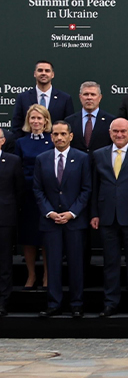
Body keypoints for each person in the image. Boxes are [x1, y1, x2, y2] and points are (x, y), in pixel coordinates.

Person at [90, 118, 128, 317]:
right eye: (115, 131)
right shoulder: (99, 155)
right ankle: (111, 302)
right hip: (107, 217)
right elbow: (94, 186)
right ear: (110, 133)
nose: (119, 135)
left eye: (123, 131)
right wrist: (94, 213)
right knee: (110, 262)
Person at [32, 121, 92, 318]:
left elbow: (86, 189)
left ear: (70, 136)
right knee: (54, 264)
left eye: (63, 134)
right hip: (51, 221)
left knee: (76, 264)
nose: (59, 138)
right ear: (51, 136)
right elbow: (38, 189)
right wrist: (49, 212)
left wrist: (72, 213)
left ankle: (76, 304)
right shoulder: (42, 159)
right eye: (55, 134)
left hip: (74, 221)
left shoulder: (82, 158)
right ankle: (54, 303)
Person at [15, 105, 53, 291]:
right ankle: (31, 275)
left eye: (40, 118)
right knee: (29, 238)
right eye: (33, 118)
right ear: (28, 121)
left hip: (47, 195)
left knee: (45, 237)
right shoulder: (21, 142)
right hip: (27, 195)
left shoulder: (52, 140)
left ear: (46, 121)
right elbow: (17, 168)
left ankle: (47, 274)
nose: (36, 122)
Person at [11, 60, 72, 136]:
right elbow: (17, 125)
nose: (43, 73)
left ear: (52, 74)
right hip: (29, 144)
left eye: (47, 71)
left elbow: (68, 125)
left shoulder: (64, 98)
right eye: (40, 70)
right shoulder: (23, 97)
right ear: (34, 74)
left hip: (55, 145)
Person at [0, 131, 21, 316]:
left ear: (3, 141)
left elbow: (18, 190)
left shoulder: (13, 161)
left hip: (4, 219)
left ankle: (2, 302)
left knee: (4, 262)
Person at [71, 81, 112, 153]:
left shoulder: (110, 121)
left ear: (100, 97)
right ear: (80, 97)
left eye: (93, 95)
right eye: (86, 94)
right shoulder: (70, 121)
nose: (89, 98)